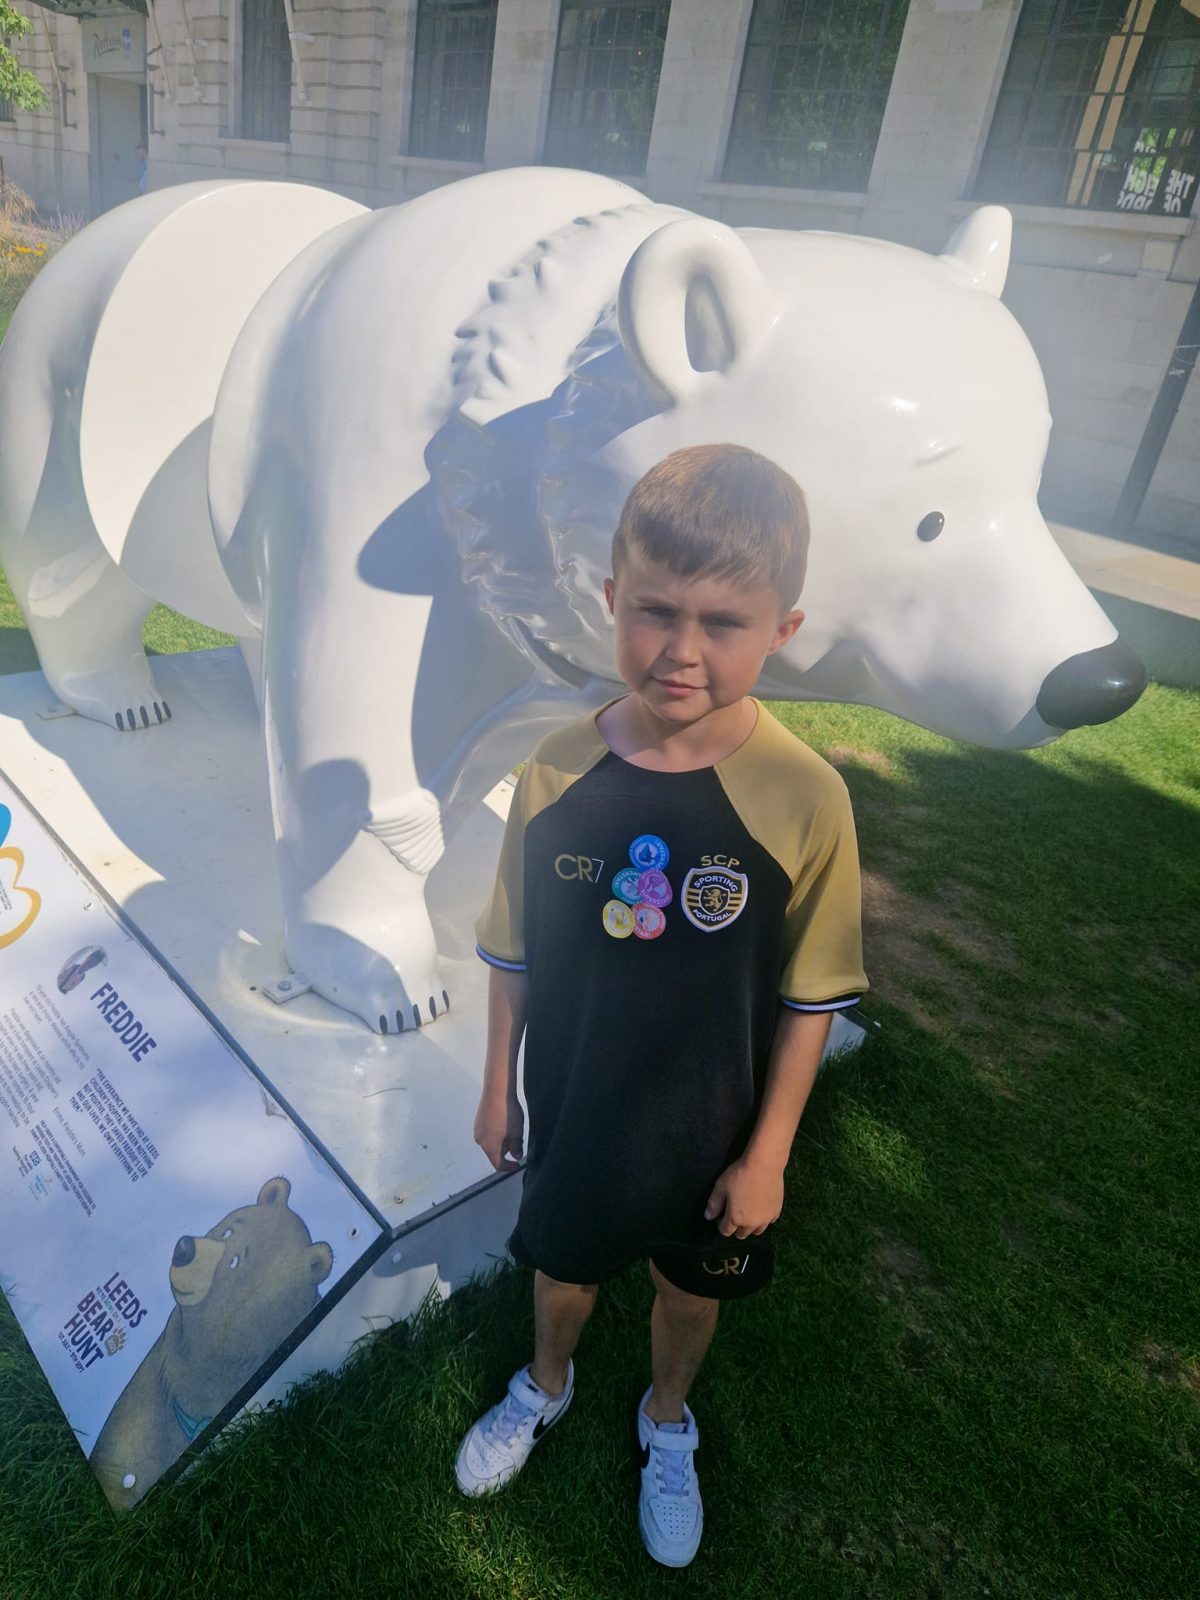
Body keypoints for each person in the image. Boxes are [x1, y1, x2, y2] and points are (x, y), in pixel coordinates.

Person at [456, 443, 867, 1568]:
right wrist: (498, 1084)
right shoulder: (553, 771)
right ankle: (545, 1383)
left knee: (689, 1294)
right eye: (654, 611)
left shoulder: (805, 796)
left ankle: (666, 1420)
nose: (681, 650)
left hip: (714, 1131)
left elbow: (808, 998)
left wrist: (770, 1153)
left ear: (781, 628)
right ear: (610, 599)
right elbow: (510, 949)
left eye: (723, 622)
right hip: (580, 1108)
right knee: (566, 1270)